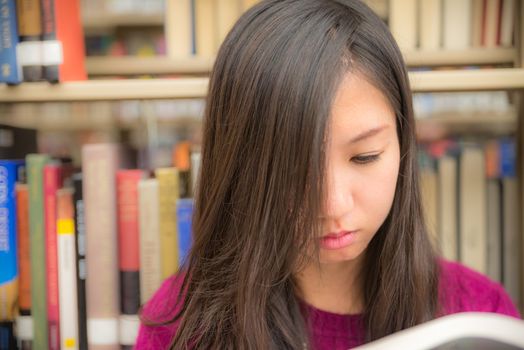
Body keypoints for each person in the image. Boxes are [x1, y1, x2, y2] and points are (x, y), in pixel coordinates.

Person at [135, 0, 520, 349]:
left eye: (365, 157)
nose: (333, 204)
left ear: (403, 145)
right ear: (243, 167)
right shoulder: (181, 326)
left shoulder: (479, 312)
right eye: (294, 169)